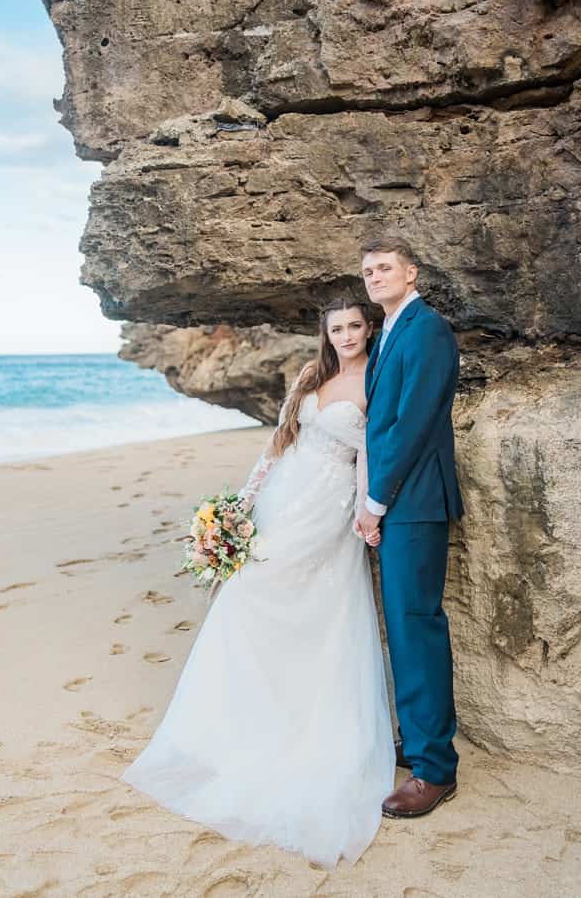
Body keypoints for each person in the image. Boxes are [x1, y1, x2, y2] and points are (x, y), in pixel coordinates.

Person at [122, 298, 395, 868]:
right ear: (325, 334)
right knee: (244, 597)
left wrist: (367, 512)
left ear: (369, 329)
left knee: (306, 610)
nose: (345, 335)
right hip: (280, 498)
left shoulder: (377, 376)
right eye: (336, 328)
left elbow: (372, 452)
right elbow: (280, 441)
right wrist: (243, 502)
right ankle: (234, 727)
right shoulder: (309, 375)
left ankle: (302, 729)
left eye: (353, 326)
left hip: (328, 509)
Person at [352, 236, 465, 819]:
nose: (375, 277)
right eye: (368, 271)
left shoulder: (426, 329)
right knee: (404, 622)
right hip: (400, 500)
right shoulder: (391, 331)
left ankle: (433, 770)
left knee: (416, 625)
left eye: (385, 268)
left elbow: (412, 424)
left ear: (411, 271)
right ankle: (419, 741)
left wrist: (374, 500)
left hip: (414, 501)